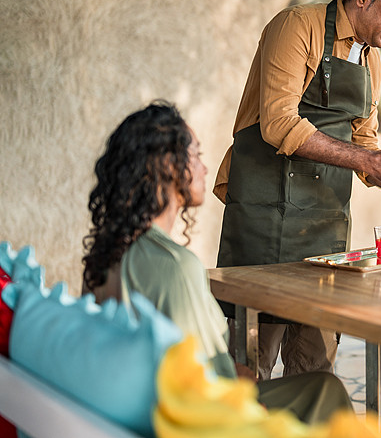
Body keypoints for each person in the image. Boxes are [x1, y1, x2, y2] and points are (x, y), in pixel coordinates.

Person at [213, 0, 381, 380]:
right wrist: (370, 160)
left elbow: (365, 142)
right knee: (251, 364)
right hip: (265, 220)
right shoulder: (295, 26)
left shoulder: (373, 61)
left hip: (324, 228)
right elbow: (278, 123)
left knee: (314, 369)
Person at [81, 101, 353, 424]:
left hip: (147, 405)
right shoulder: (175, 267)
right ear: (168, 166)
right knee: (326, 388)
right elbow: (212, 379)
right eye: (195, 155)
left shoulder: (108, 254)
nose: (205, 168)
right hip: (200, 417)